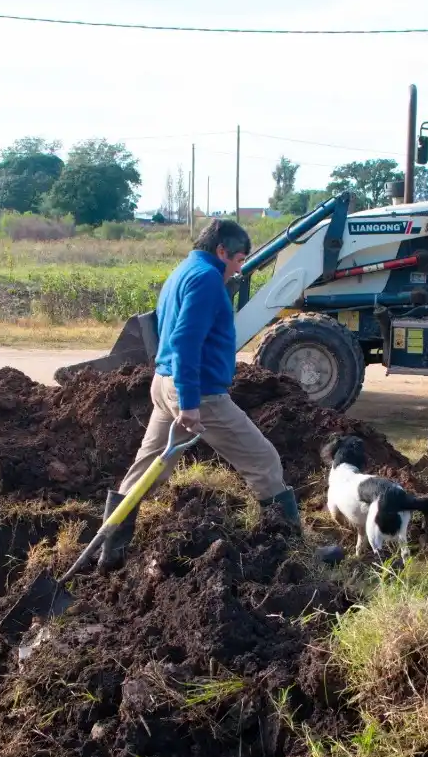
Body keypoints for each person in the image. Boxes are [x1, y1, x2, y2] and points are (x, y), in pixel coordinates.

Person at [98, 218, 343, 570]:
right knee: (264, 462)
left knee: (147, 469)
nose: (240, 268)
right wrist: (191, 403)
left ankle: (112, 549)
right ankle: (292, 555)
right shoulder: (207, 279)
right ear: (222, 251)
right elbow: (185, 341)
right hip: (199, 393)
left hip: (165, 382)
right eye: (240, 259)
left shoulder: (183, 270)